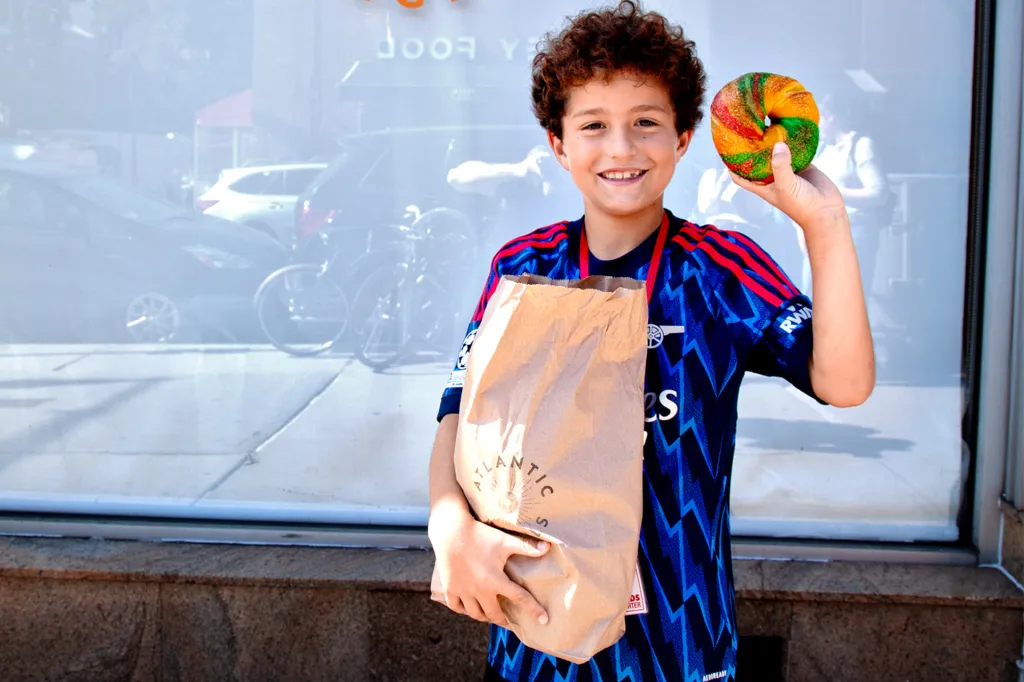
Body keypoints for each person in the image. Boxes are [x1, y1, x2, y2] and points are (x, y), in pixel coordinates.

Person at [428, 2, 875, 681]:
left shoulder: (722, 269)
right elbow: (461, 409)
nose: (621, 148)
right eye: (594, 126)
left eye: (646, 123)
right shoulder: (522, 267)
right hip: (534, 644)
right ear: (558, 143)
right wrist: (447, 523)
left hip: (683, 646)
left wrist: (826, 226)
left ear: (685, 136)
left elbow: (844, 383)